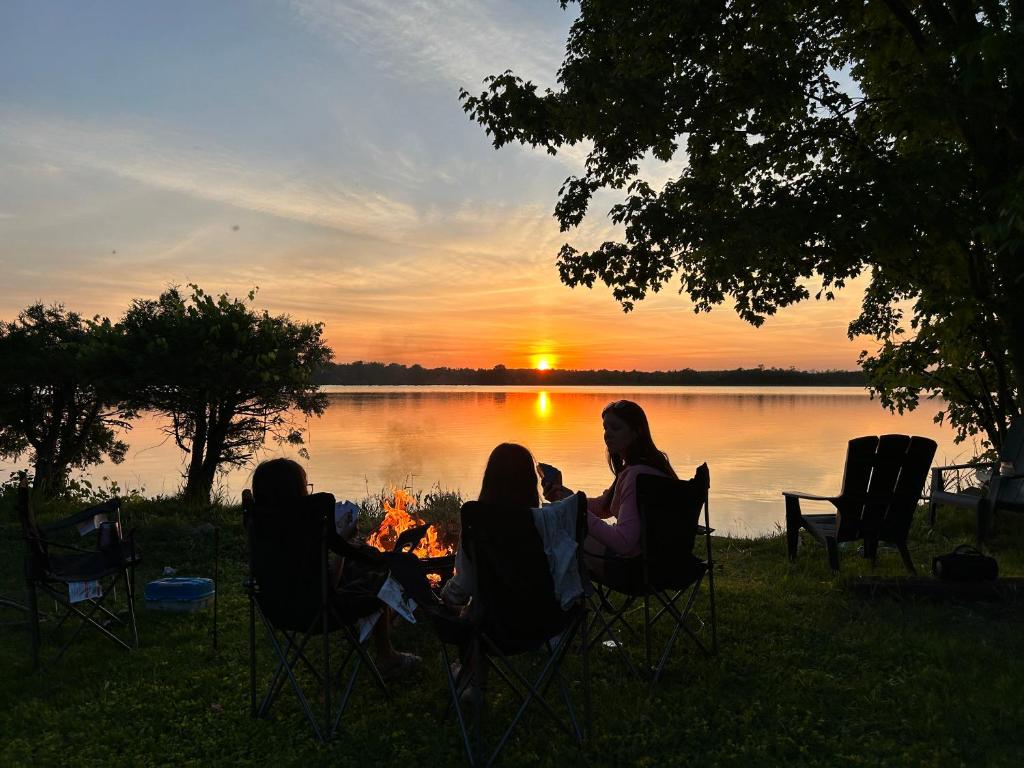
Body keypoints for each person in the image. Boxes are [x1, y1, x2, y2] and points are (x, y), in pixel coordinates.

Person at [250, 457, 422, 680]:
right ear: (296, 492)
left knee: (358, 570)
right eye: (305, 485)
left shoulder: (262, 523)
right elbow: (330, 586)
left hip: (276, 608)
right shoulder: (307, 524)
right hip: (318, 612)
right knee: (381, 580)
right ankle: (386, 656)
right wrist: (343, 543)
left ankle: (380, 626)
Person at [542, 400, 677, 580]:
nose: (607, 435)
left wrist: (576, 511)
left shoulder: (637, 476)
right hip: (666, 563)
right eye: (605, 428)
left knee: (558, 534)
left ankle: (557, 602)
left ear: (636, 432)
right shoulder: (649, 467)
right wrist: (568, 499)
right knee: (561, 530)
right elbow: (604, 507)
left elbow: (623, 543)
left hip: (634, 570)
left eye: (615, 428)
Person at [440, 442, 542, 608]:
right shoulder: (545, 522)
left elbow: (461, 589)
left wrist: (442, 597)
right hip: (551, 626)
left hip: (494, 628)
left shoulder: (476, 521)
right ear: (531, 482)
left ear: (489, 480)